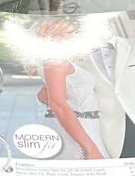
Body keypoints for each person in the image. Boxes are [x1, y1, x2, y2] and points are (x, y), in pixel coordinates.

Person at [32, 18, 107, 161]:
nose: (72, 37)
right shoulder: (55, 61)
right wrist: (90, 148)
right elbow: (58, 105)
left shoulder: (55, 61)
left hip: (82, 126)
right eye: (67, 33)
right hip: (79, 130)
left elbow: (48, 95)